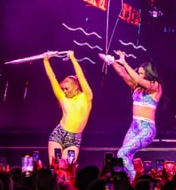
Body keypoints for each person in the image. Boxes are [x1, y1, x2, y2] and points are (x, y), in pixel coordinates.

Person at [102, 50, 162, 181]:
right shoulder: (137, 87)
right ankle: (127, 183)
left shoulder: (155, 86)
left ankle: (136, 181)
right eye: (138, 72)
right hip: (134, 127)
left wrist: (125, 62)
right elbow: (123, 73)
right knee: (125, 157)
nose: (139, 75)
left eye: (142, 73)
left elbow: (136, 78)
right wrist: (112, 62)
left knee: (121, 153)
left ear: (149, 74)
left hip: (147, 129)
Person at [43, 50, 92, 166]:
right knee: (55, 167)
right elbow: (52, 78)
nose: (64, 91)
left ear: (76, 87)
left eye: (66, 88)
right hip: (58, 135)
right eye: (63, 89)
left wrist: (73, 59)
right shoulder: (63, 97)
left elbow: (81, 77)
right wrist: (46, 61)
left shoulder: (86, 96)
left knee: (68, 170)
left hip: (74, 139)